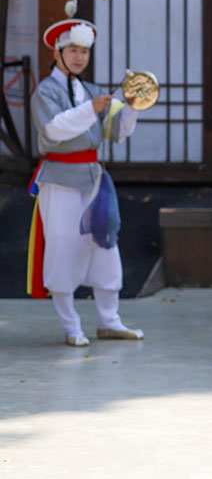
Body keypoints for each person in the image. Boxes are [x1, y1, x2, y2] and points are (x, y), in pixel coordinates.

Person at [28, 19, 143, 346]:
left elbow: (116, 132)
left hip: (93, 179)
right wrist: (89, 109)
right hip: (61, 179)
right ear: (57, 51)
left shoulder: (91, 91)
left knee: (105, 246)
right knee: (63, 248)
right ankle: (71, 327)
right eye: (73, 50)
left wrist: (133, 107)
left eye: (84, 51)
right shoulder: (45, 92)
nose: (79, 57)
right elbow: (53, 130)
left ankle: (110, 320)